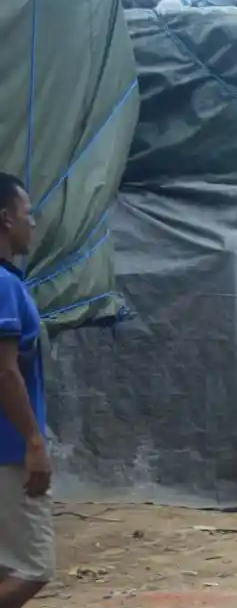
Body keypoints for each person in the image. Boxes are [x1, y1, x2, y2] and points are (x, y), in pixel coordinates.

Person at [0, 173, 51, 608]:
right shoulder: (3, 286)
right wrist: (34, 441)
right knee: (34, 568)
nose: (32, 224)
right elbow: (5, 372)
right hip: (8, 451)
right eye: (27, 214)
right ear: (5, 219)